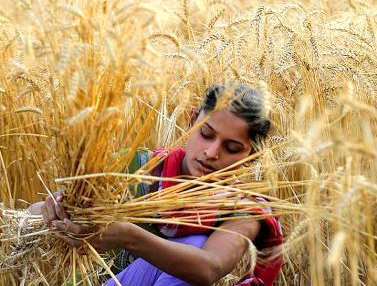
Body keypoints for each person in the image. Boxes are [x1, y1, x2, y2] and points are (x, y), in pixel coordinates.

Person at [31, 84, 283, 286]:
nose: (211, 152)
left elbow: (210, 268)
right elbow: (29, 214)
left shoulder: (242, 208)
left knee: (194, 245)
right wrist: (58, 208)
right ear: (191, 119)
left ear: (252, 157)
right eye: (205, 134)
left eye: (231, 148)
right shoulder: (137, 168)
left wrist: (129, 236)